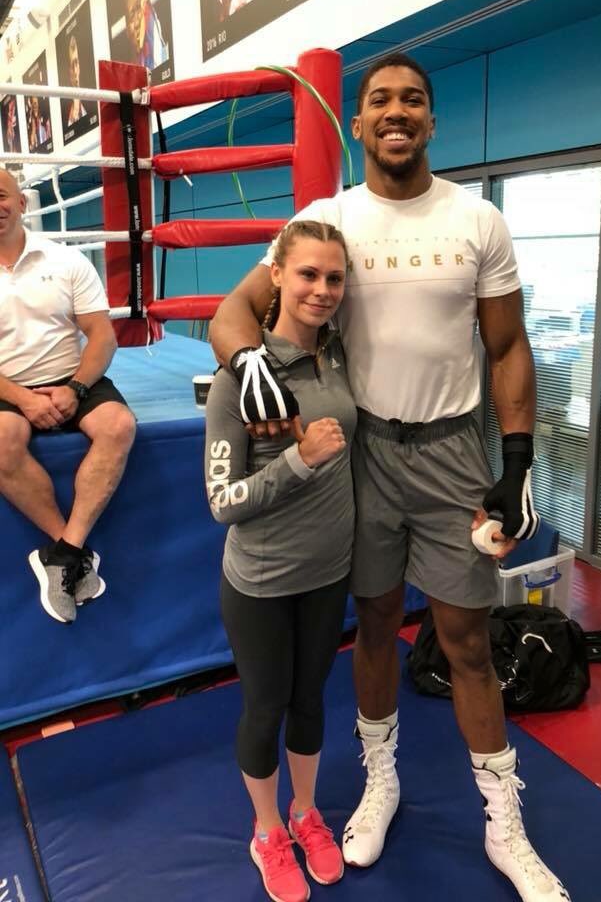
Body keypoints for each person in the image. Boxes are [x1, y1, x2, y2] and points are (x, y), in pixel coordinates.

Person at [209, 53, 570, 901]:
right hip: (362, 451)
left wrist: (517, 457)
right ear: (360, 123)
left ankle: (503, 823)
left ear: (431, 122)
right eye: (379, 101)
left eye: (413, 99)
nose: (397, 111)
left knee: (468, 640)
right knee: (372, 625)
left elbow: (508, 346)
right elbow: (234, 310)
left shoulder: (478, 219)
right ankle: (381, 781)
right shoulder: (328, 218)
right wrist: (249, 362)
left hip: (451, 454)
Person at [205, 220, 355, 902]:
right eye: (307, 275)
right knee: (265, 707)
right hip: (262, 582)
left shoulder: (338, 358)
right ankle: (267, 830)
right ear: (277, 278)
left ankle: (305, 812)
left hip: (329, 574)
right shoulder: (238, 380)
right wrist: (299, 460)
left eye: (333, 277)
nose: (321, 290)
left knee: (311, 700)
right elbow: (221, 502)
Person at [0, 170, 136, 624]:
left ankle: (64, 552)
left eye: (1, 196)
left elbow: (102, 335)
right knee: (1, 439)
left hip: (71, 376)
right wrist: (23, 398)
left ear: (22, 203)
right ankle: (70, 552)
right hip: (6, 384)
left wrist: (76, 387)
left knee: (118, 425)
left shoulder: (66, 261)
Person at [124, 0, 169, 70]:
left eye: (138, 8)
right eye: (131, 16)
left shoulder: (161, 52)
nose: (136, 23)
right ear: (127, 30)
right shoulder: (130, 74)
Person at [66, 35, 88, 127]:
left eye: (76, 63)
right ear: (68, 71)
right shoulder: (67, 112)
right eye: (72, 66)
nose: (75, 71)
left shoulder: (89, 102)